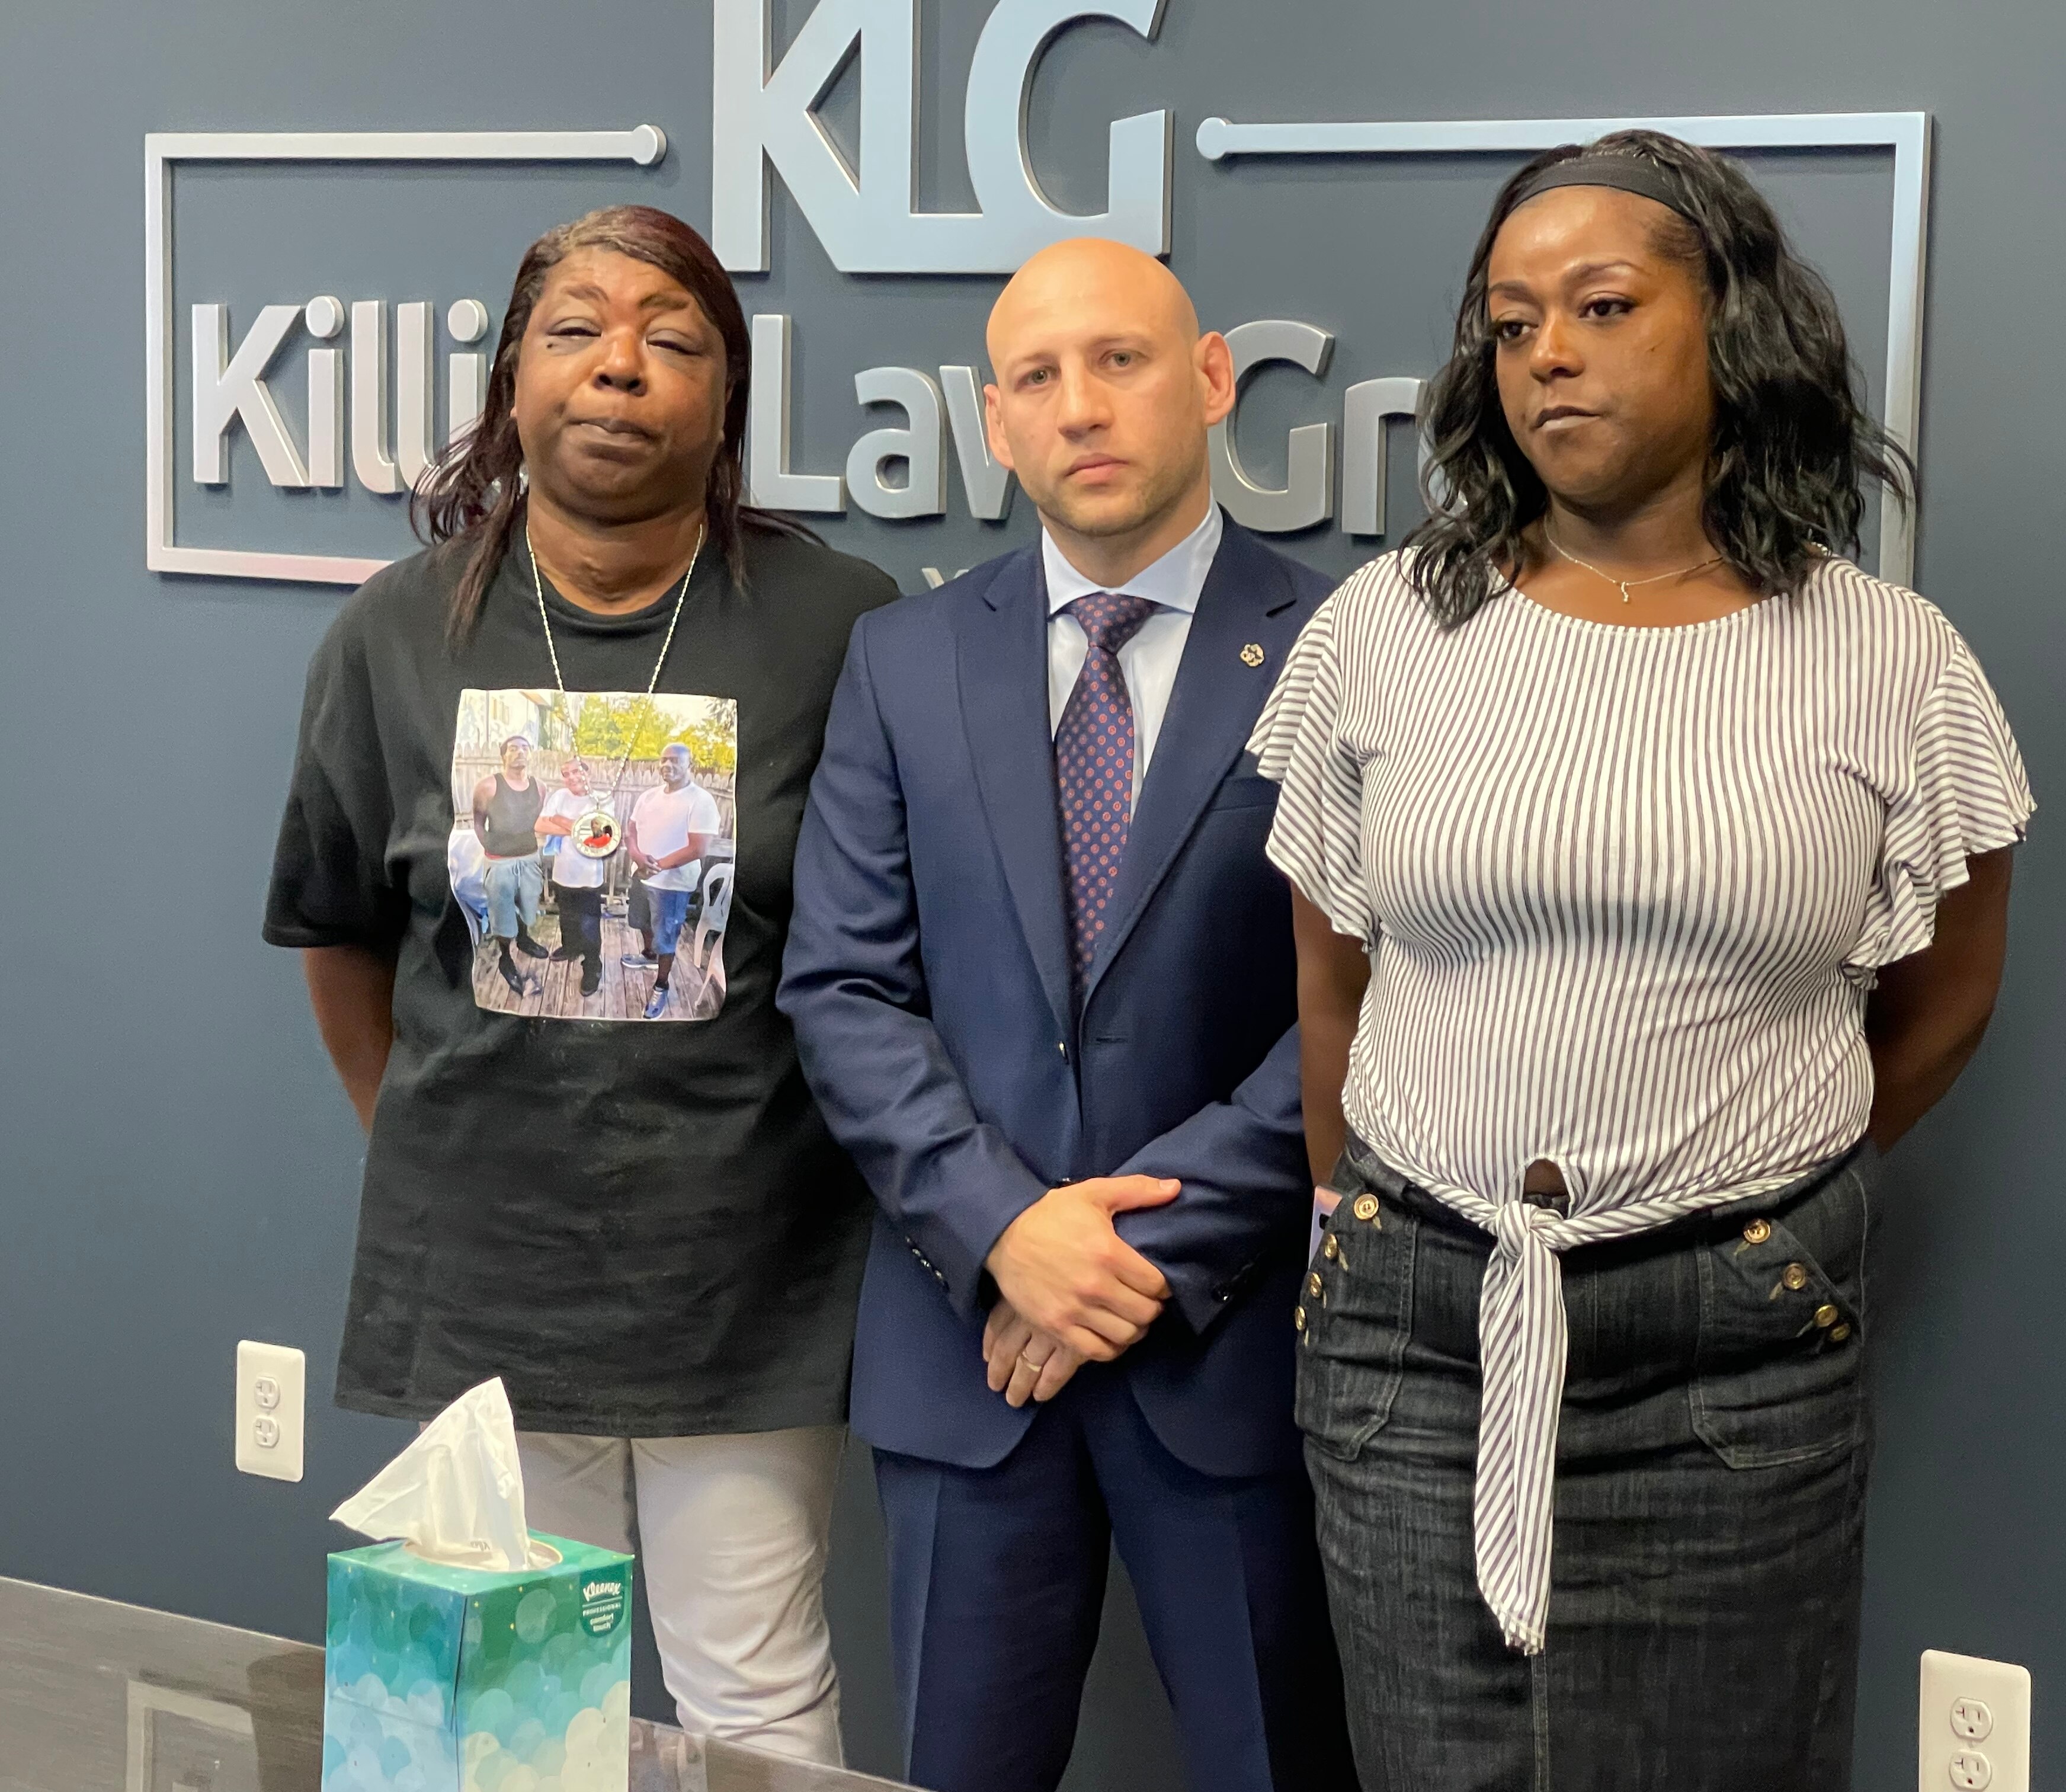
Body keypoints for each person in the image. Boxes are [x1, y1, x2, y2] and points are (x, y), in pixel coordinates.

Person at [1250, 133, 2035, 1790]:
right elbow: (1334, 984)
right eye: (1511, 319)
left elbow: (1952, 990)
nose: (1549, 352)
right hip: (1411, 1331)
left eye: (1602, 305)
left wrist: (1743, 1190)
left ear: (1732, 327)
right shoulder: (1383, 633)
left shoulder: (1891, 659)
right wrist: (1360, 1232)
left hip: (1732, 1347)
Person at [262, 205, 895, 1764]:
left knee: (755, 1702)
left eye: (674, 341)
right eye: (577, 332)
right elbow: (341, 936)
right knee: (507, 1707)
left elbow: (896, 950)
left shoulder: (841, 626)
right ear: (511, 383)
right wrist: (435, 1130)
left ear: (726, 402)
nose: (622, 368)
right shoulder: (392, 639)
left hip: (745, 1279)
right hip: (485, 1272)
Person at [781, 238, 1356, 1792]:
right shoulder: (903, 661)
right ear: (993, 419)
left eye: (1122, 359)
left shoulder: (1353, 647)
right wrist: (1005, 1233)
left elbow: (1378, 996)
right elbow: (842, 985)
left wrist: (1128, 1255)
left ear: (1213, 377)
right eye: (1038, 376)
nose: (1081, 405)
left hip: (1234, 1353)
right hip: (969, 1350)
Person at [624, 741, 719, 1019]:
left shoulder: (700, 800)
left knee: (666, 937)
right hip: (641, 876)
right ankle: (648, 956)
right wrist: (638, 857)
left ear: (690, 764)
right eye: (664, 760)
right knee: (642, 922)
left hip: (673, 885)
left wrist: (656, 866)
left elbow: (698, 848)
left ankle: (662, 985)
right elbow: (630, 831)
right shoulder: (648, 796)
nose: (668, 765)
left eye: (676, 761)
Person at [471, 733, 550, 994]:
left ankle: (525, 939)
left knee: (529, 908)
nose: (520, 752)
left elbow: (536, 818)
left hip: (529, 858)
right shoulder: (488, 786)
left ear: (530, 754)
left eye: (525, 748)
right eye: (513, 748)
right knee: (503, 914)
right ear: (503, 755)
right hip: (500, 862)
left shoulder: (540, 787)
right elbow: (478, 822)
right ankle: (506, 956)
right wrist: (490, 847)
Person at [533, 755, 607, 999]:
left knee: (589, 924)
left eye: (577, 771)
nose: (572, 777)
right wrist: (578, 827)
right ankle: (571, 948)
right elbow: (540, 825)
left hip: (589, 876)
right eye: (566, 774)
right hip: (563, 872)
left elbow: (598, 835)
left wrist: (560, 820)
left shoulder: (602, 799)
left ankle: (593, 966)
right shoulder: (559, 796)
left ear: (589, 772)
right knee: (567, 917)